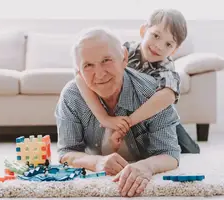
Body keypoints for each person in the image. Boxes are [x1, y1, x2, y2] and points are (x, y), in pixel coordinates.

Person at [55, 27, 181, 197]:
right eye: (88, 65)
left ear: (124, 57)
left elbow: (169, 154)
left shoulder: (153, 96)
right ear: (78, 70)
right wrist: (97, 162)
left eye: (107, 60)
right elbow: (66, 152)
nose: (99, 74)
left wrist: (145, 166)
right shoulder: (72, 96)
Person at [75, 9, 200, 153]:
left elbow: (168, 96)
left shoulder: (166, 66)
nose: (159, 46)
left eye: (168, 44)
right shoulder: (125, 50)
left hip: (154, 116)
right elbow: (80, 77)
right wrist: (104, 118)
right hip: (124, 108)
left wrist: (129, 122)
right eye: (156, 36)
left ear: (174, 50)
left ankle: (191, 148)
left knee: (185, 146)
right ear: (143, 30)